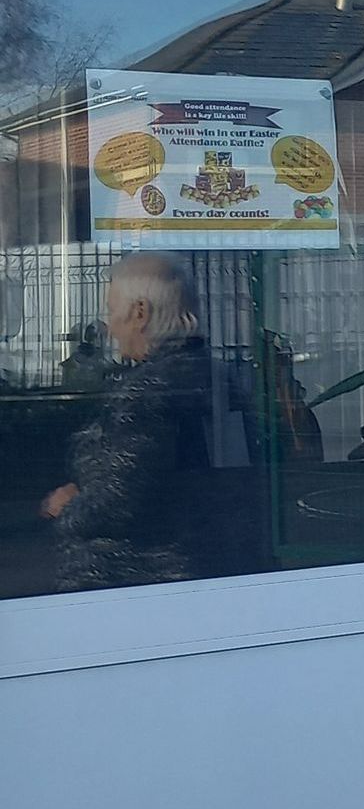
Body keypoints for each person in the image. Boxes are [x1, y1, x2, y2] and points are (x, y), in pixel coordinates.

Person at [40, 252, 216, 592]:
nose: (109, 328)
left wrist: (66, 507)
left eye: (111, 311)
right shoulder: (211, 374)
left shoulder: (149, 391)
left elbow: (118, 503)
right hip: (194, 565)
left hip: (134, 581)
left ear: (140, 313)